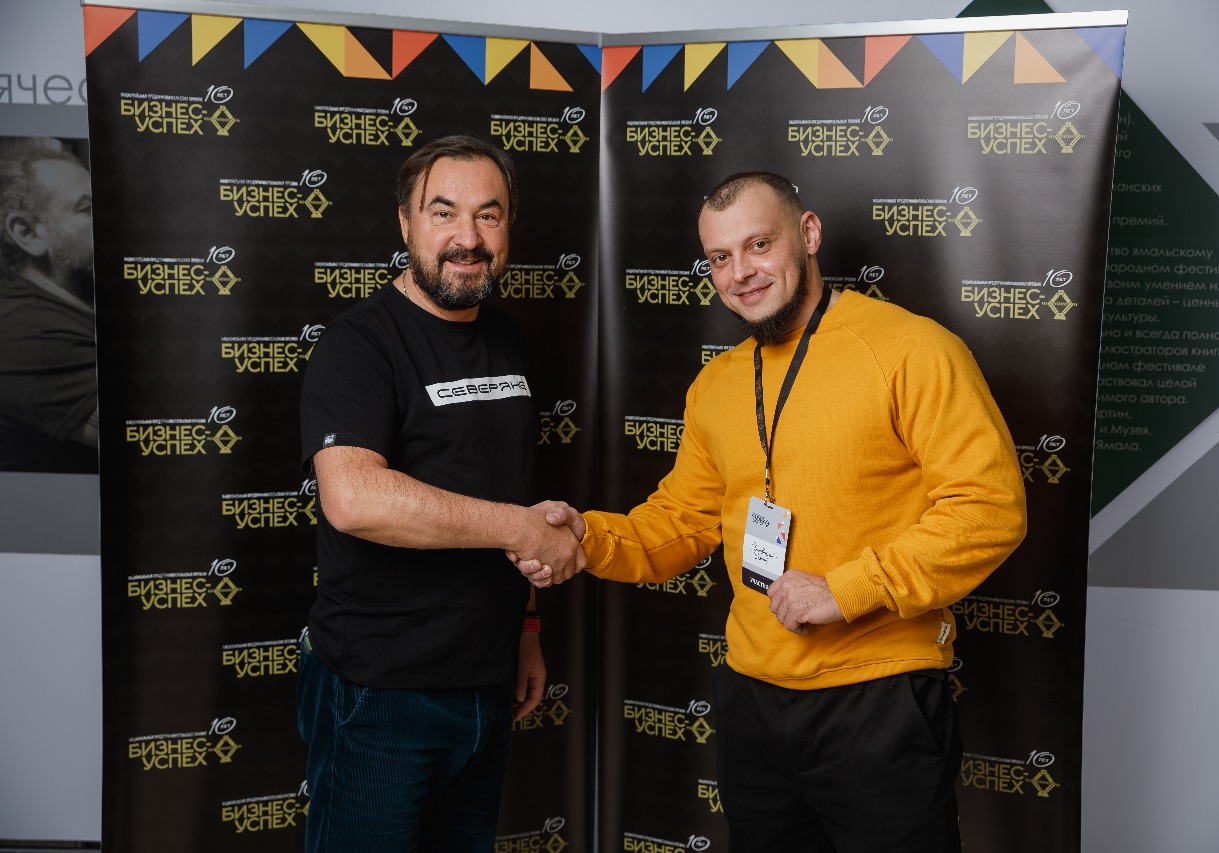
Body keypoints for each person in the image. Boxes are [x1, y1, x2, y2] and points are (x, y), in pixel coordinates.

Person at [521, 172, 1027, 852]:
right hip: (752, 703)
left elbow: (989, 507)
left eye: (759, 244)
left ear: (808, 233)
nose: (741, 273)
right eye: (720, 257)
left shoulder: (911, 349)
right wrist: (589, 537)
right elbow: (683, 522)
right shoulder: (717, 383)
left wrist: (848, 589)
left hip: (878, 699)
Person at [297, 134, 583, 853]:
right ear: (405, 223)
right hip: (380, 693)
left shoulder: (505, 337)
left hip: (487, 679)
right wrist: (521, 529)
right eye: (444, 212)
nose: (468, 238)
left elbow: (510, 484)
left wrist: (526, 627)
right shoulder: (359, 344)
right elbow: (354, 497)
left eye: (489, 215)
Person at [0, 140, 97, 473]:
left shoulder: (68, 307)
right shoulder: (25, 333)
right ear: (29, 233)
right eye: (87, 209)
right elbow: (160, 431)